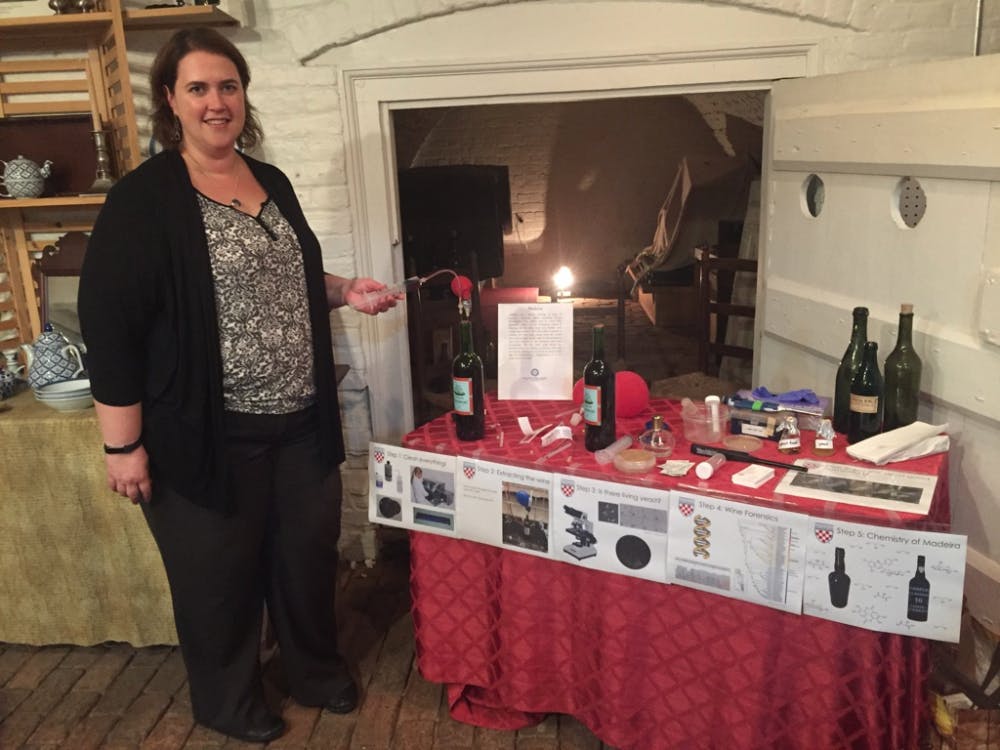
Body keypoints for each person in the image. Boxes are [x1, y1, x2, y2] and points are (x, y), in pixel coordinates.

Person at [77, 27, 396, 744]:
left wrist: (347, 291)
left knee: (304, 562)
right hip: (205, 434)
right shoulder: (144, 201)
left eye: (227, 86)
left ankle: (314, 671)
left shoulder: (268, 181)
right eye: (198, 88)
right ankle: (227, 701)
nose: (216, 102)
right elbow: (112, 327)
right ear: (171, 100)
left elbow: (284, 278)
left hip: (299, 423)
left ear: (243, 94)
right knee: (217, 580)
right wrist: (120, 446)